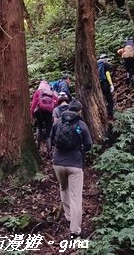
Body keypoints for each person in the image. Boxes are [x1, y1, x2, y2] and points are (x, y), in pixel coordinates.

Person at [49, 99, 92, 240]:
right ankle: (75, 231)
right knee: (75, 197)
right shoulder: (81, 125)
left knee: (63, 188)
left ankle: (68, 216)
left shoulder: (58, 122)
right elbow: (89, 145)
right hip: (74, 164)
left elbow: (52, 141)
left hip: (58, 164)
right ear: (79, 111)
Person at [30, 80, 58, 150]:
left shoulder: (38, 92)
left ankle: (38, 145)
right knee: (49, 132)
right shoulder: (52, 93)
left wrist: (31, 113)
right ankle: (49, 151)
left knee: (39, 127)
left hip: (40, 112)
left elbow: (34, 104)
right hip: (49, 112)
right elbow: (56, 104)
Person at [97, 54, 115, 119]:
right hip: (105, 84)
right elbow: (108, 75)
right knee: (110, 100)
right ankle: (110, 114)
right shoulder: (106, 65)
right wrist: (111, 85)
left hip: (98, 85)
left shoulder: (96, 65)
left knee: (102, 99)